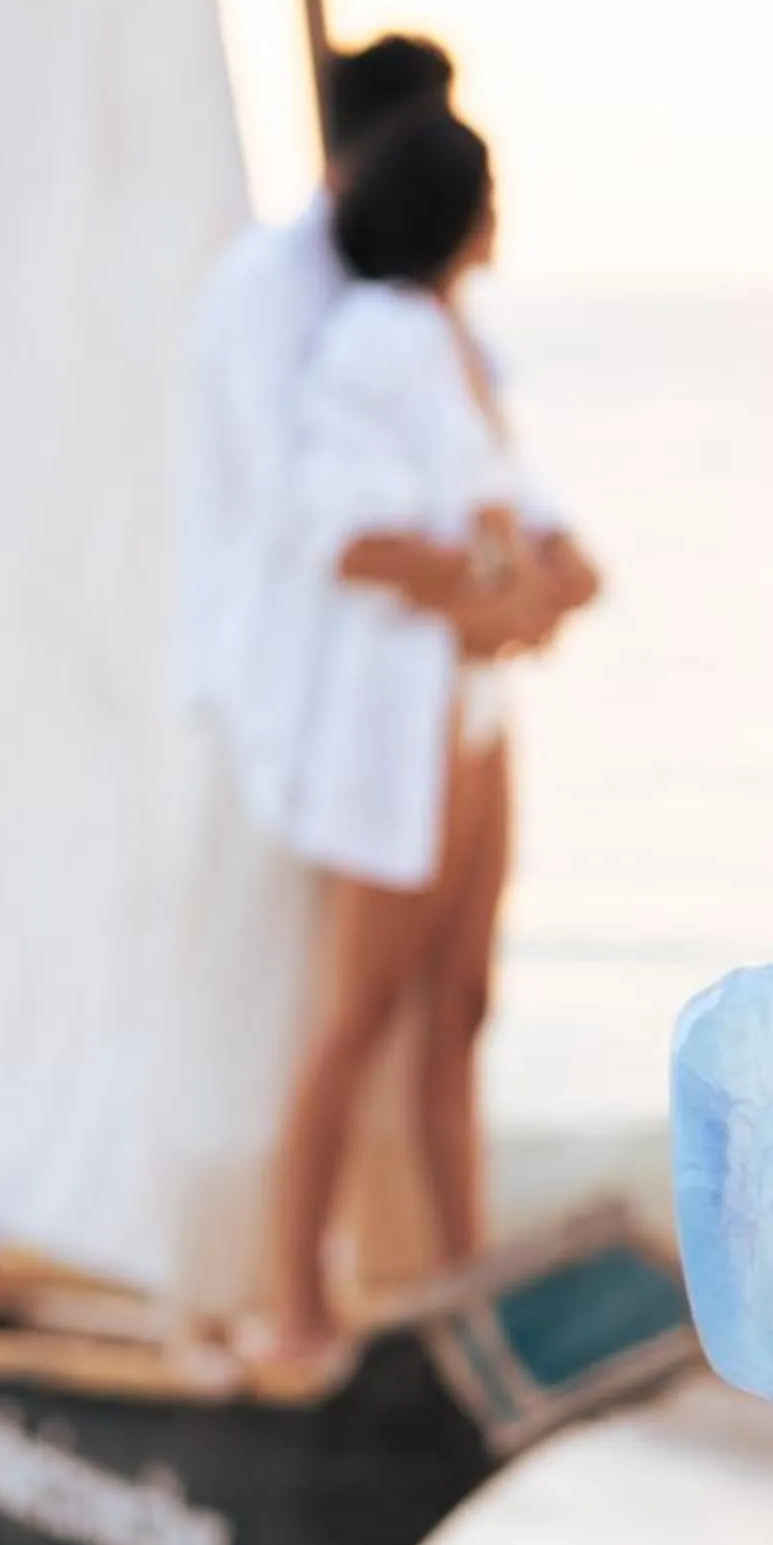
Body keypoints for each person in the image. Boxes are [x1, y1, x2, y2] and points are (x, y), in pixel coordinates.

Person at [241, 103, 599, 1362]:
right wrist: (491, 589)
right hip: (395, 718)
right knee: (359, 1010)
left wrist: (539, 579)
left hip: (471, 712)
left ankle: (466, 1280)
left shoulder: (462, 348)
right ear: (465, 212)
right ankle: (297, 1301)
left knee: (459, 1002)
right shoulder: (375, 339)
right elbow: (348, 530)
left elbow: (532, 526)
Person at [180, 33, 454, 729]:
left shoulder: (405, 292)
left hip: (371, 700)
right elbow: (293, 508)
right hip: (266, 697)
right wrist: (473, 582)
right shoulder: (266, 283)